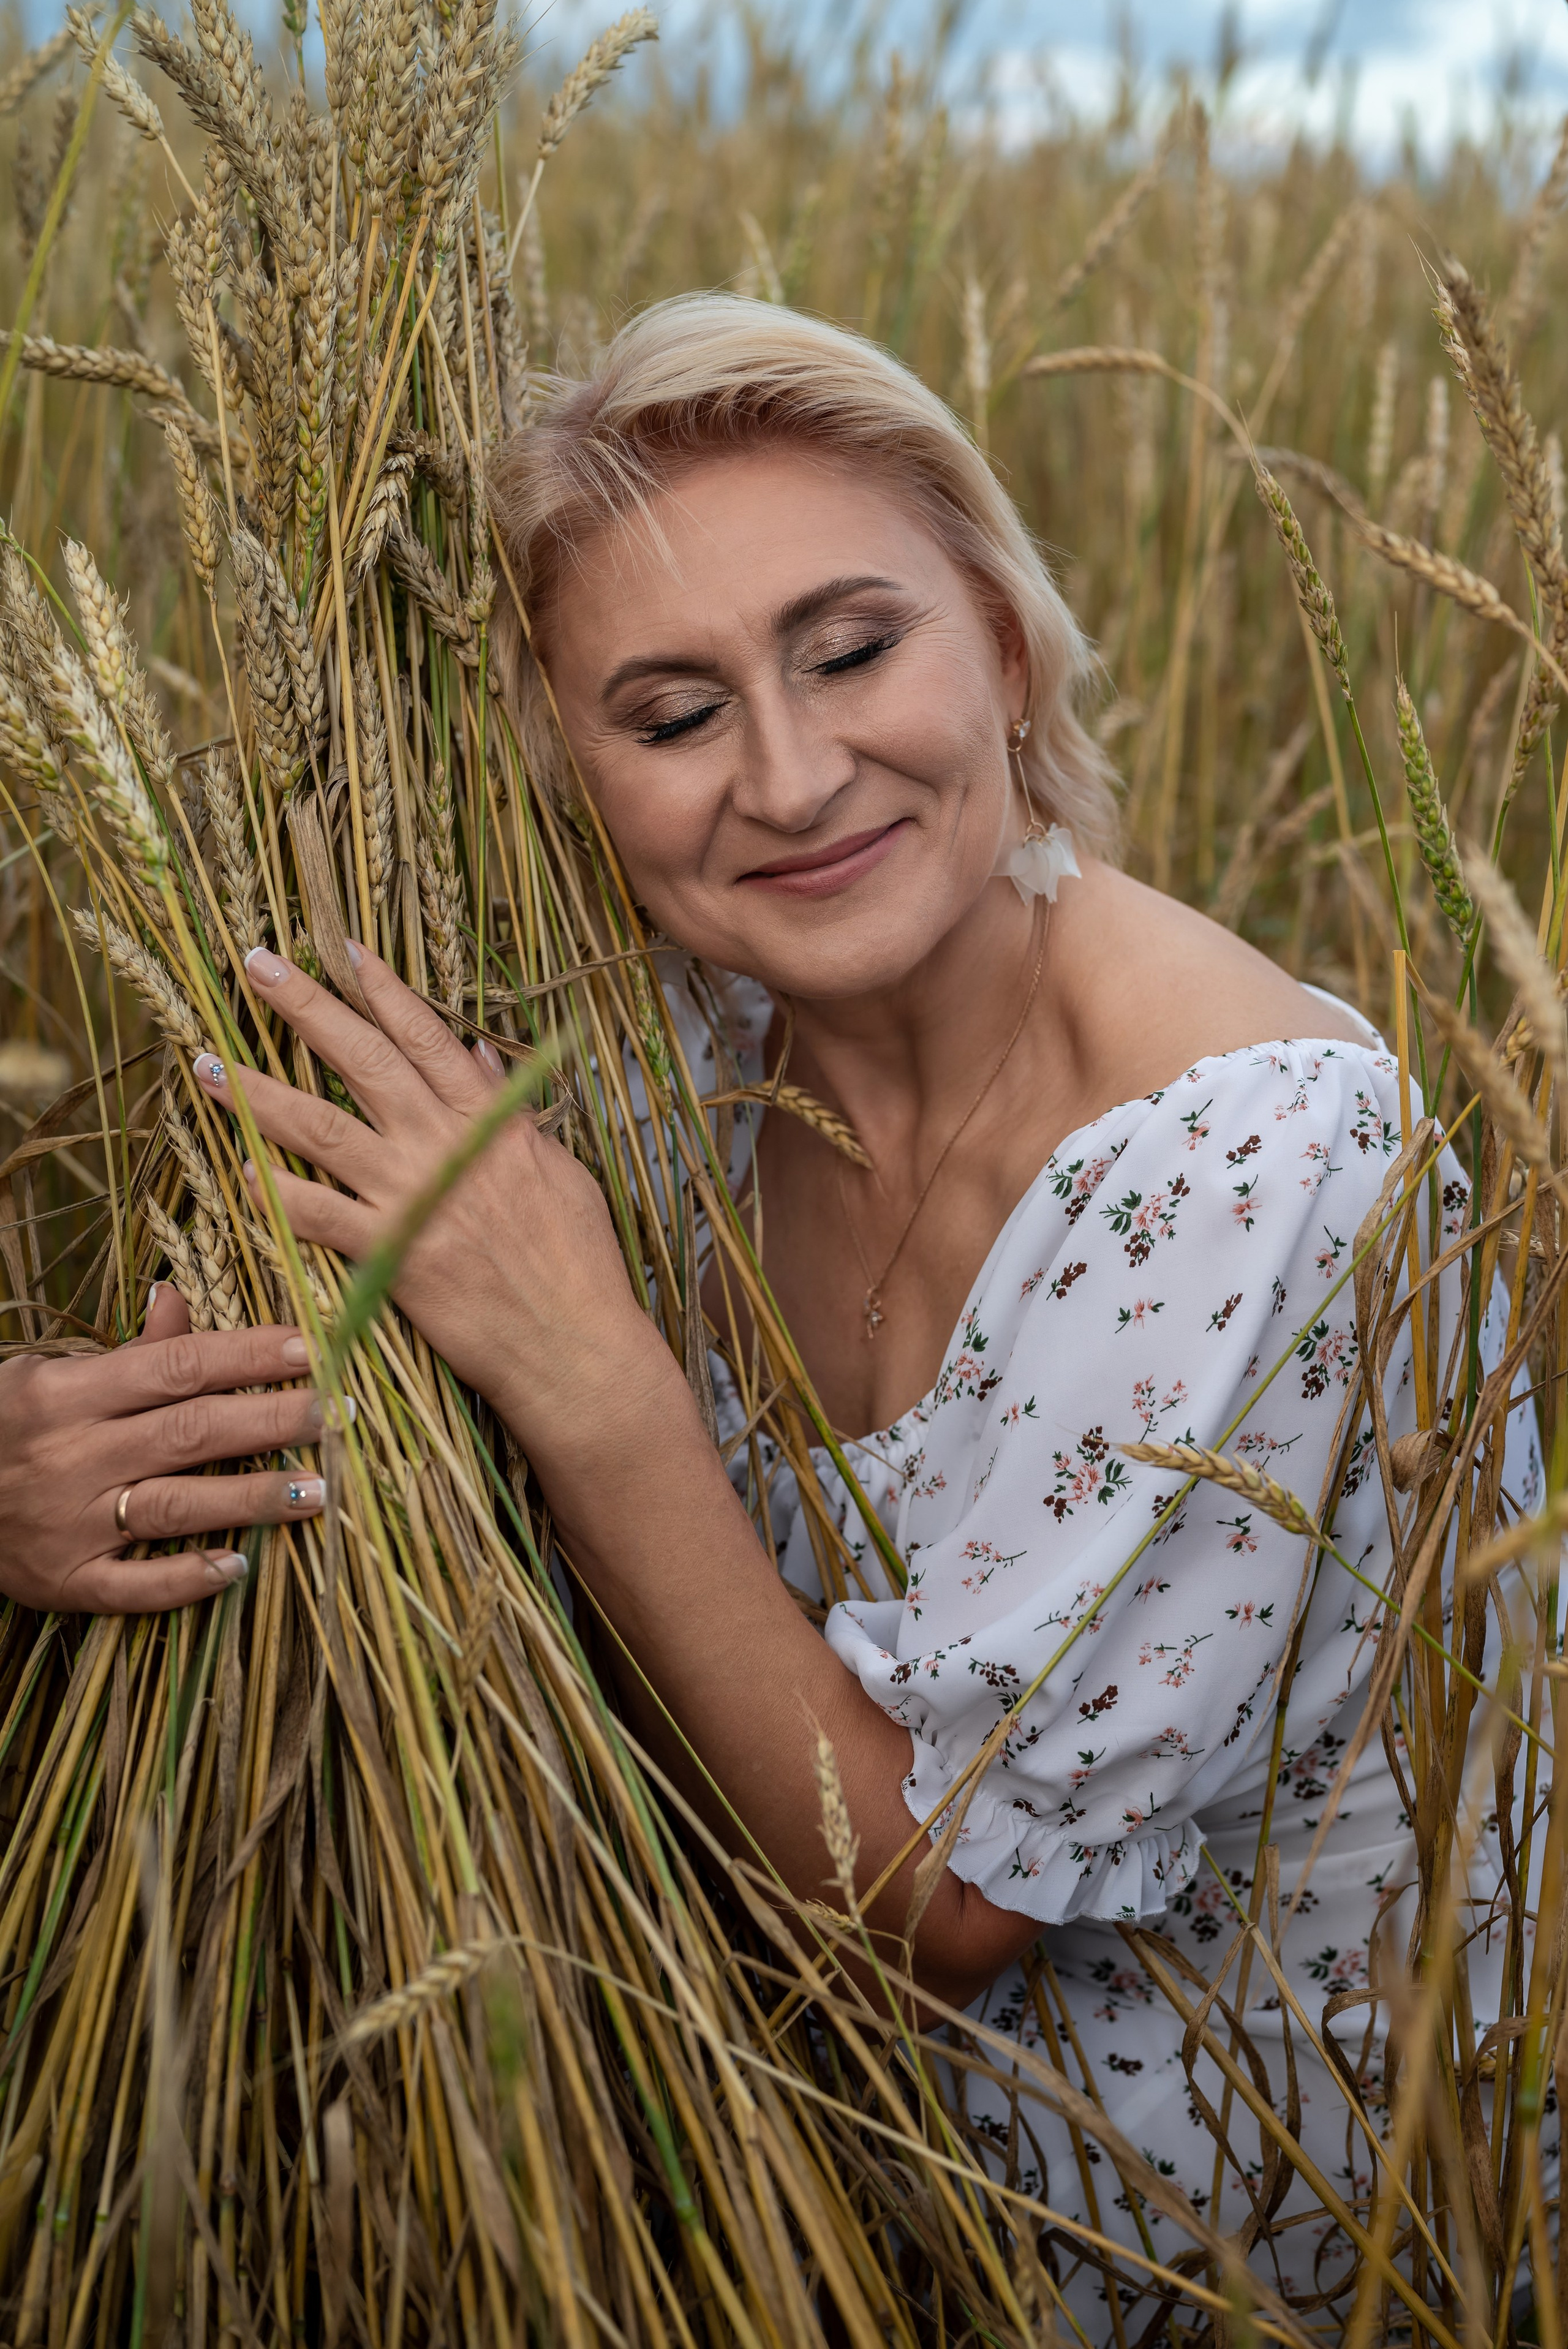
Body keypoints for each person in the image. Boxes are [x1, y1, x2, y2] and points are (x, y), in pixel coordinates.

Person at [0, 297, 1541, 2335]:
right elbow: (327, 1447)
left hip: (1182, 2260)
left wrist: (589, 1370)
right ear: (573, 771)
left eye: (852, 647)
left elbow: (947, 1907)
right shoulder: (669, 1060)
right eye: (670, 715)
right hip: (698, 2165)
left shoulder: (1254, 1160)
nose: (797, 774)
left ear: (1000, 644)